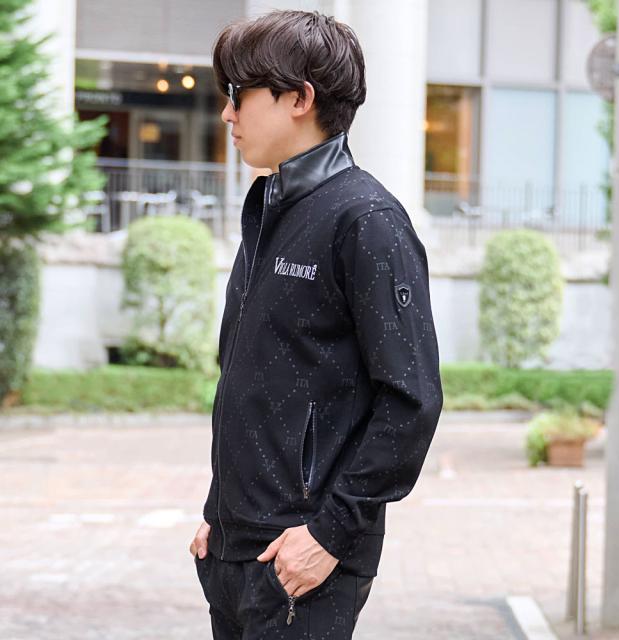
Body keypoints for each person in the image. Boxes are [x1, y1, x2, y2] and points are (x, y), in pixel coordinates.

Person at [189, 8, 443, 639]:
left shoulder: (367, 221)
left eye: (238, 94)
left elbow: (411, 400)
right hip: (235, 547)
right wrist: (219, 513)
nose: (227, 114)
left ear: (299, 99)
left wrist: (331, 534)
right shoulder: (269, 207)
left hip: (302, 560)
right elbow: (256, 380)